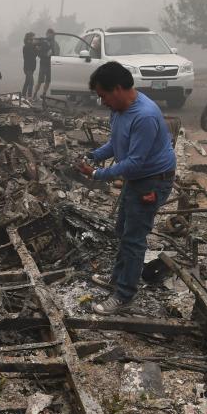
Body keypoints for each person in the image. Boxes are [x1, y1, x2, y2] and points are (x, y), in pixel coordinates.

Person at [77, 61, 176, 314]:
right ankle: (118, 279)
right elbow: (116, 142)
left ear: (118, 88)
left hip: (152, 181)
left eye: (103, 96)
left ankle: (124, 296)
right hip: (139, 178)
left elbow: (133, 162)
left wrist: (99, 174)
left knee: (134, 239)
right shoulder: (120, 110)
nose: (103, 102)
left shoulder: (144, 116)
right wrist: (95, 155)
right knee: (123, 230)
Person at [33, 28, 56, 97]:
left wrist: (52, 53)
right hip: (43, 63)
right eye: (49, 34)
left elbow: (57, 51)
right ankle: (35, 94)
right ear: (46, 34)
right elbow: (34, 44)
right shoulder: (42, 40)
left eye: (51, 35)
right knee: (40, 81)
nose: (50, 36)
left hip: (51, 64)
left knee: (48, 81)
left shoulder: (54, 42)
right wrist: (42, 53)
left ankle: (44, 94)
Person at [21, 32, 37, 97]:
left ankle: (23, 95)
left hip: (31, 67)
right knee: (31, 83)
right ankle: (29, 97)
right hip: (28, 68)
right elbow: (32, 55)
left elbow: (35, 55)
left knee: (27, 82)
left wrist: (35, 48)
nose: (34, 40)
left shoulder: (31, 46)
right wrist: (35, 48)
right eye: (32, 38)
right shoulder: (26, 47)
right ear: (28, 39)